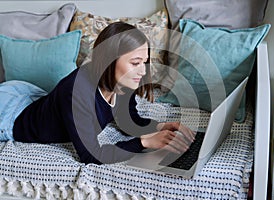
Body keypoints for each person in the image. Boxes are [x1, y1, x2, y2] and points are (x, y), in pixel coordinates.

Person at [0, 22, 195, 165]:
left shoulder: (122, 81)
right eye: (135, 63)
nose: (143, 71)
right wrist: (144, 141)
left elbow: (128, 120)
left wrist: (161, 126)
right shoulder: (76, 91)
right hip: (10, 115)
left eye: (144, 62)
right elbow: (90, 155)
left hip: (31, 98)